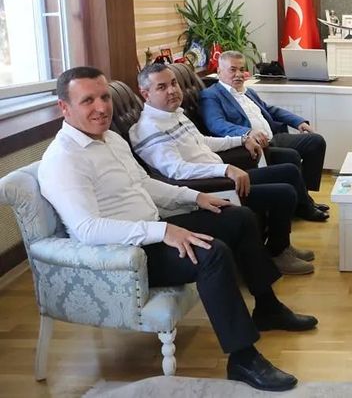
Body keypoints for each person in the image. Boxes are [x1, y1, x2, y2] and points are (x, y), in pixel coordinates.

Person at [38, 67, 319, 392]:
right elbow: (88, 229)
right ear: (64, 107)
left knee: (237, 218)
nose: (101, 107)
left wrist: (194, 197)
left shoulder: (111, 139)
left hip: (153, 227)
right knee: (212, 254)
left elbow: (144, 183)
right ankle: (243, 358)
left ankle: (268, 308)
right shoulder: (64, 159)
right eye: (88, 100)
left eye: (104, 97)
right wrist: (164, 233)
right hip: (126, 256)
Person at [130, 63, 324, 274]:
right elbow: (176, 171)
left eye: (174, 83)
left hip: (221, 175)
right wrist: (224, 170)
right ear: (145, 94)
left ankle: (282, 245)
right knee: (284, 193)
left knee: (288, 171)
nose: (172, 90)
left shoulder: (174, 114)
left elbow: (203, 142)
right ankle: (278, 253)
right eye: (162, 87)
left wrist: (241, 139)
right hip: (210, 188)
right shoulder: (149, 128)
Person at [201, 51, 329, 203]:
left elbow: (270, 110)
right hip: (255, 145)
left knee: (316, 141)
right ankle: (305, 204)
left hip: (273, 137)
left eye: (242, 69)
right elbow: (217, 124)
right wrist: (247, 132)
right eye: (233, 70)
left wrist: (298, 122)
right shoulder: (211, 95)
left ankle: (305, 195)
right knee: (291, 155)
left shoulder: (248, 92)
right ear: (219, 71)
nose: (239, 74)